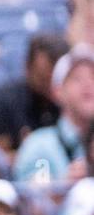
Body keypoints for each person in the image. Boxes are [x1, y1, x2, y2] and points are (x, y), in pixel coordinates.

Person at [0, 32, 64, 168]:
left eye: (57, 79)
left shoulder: (77, 104)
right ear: (27, 67)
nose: (50, 87)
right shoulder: (3, 101)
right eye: (43, 78)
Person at [14, 45, 94, 186]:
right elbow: (32, 200)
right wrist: (63, 185)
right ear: (58, 91)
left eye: (93, 77)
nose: (88, 84)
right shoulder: (39, 144)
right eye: (76, 78)